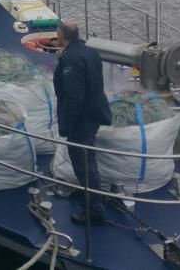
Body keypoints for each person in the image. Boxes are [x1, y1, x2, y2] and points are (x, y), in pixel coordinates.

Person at [53, 20, 112, 224]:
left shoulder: (71, 59)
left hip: (81, 119)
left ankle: (93, 209)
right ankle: (93, 196)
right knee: (89, 159)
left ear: (62, 35)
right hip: (95, 113)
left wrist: (66, 125)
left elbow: (73, 97)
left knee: (83, 163)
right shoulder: (90, 51)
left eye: (58, 32)